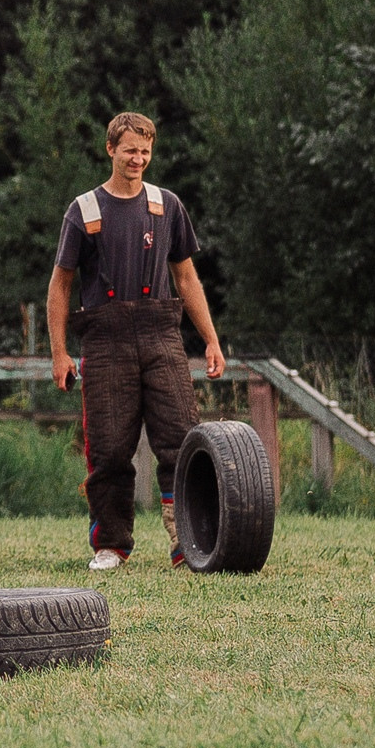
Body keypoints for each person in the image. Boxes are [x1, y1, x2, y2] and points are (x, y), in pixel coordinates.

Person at [49, 113, 227, 571]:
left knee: (182, 440)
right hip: (104, 342)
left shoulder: (166, 205)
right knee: (108, 448)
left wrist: (210, 339)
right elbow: (60, 285)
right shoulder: (83, 209)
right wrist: (59, 352)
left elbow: (186, 277)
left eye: (145, 151)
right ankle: (111, 544)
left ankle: (186, 540)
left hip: (161, 336)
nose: (138, 159)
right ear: (110, 149)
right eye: (130, 150)